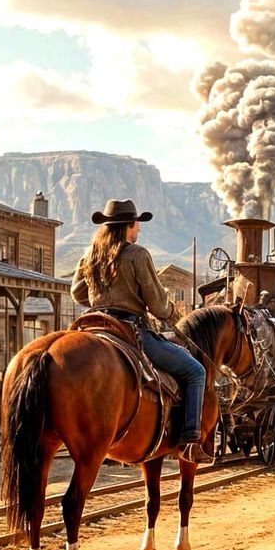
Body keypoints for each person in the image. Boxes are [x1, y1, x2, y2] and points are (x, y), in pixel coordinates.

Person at [70, 199, 210, 465]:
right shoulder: (137, 254)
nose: (139, 230)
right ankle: (190, 440)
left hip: (95, 325)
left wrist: (103, 301)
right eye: (137, 224)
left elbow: (77, 293)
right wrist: (172, 316)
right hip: (130, 330)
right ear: (128, 226)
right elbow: (157, 303)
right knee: (196, 371)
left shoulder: (90, 254)